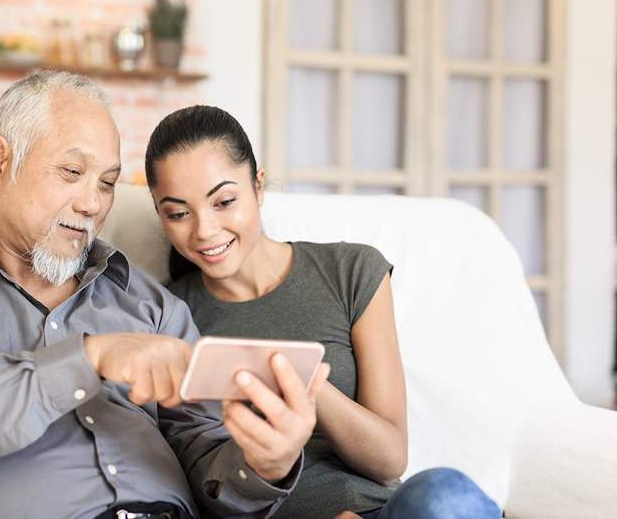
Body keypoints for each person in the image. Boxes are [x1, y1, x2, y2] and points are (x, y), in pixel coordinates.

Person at [0, 71, 330, 519]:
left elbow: (210, 462)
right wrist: (88, 358)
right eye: (72, 173)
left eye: (108, 183)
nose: (92, 203)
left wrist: (265, 463)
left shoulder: (152, 306)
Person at [143, 105, 502, 519]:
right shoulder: (168, 318)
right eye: (178, 213)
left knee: (445, 495)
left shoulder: (351, 272)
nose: (204, 230)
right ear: (160, 214)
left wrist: (303, 381)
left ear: (258, 188)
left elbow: (389, 461)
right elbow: (206, 488)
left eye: (224, 201)